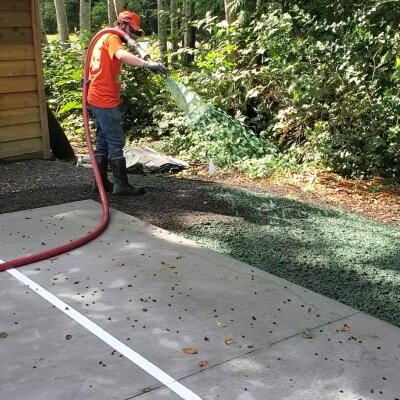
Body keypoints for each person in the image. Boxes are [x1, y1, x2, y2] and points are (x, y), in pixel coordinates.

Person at [87, 10, 167, 196]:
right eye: (133, 31)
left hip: (97, 97)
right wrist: (147, 65)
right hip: (105, 99)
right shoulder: (112, 37)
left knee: (103, 141)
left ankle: (100, 184)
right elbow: (122, 55)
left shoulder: (102, 38)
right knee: (115, 141)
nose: (132, 36)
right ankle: (121, 185)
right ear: (123, 25)